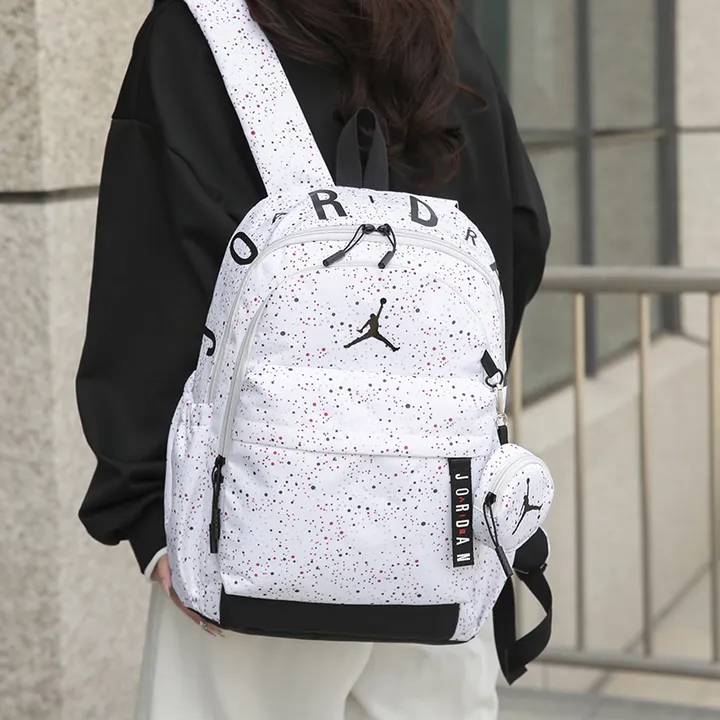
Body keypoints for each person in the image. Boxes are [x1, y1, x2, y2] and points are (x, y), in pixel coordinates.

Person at [77, 0, 551, 718]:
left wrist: (148, 510)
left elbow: (144, 279)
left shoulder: (199, 30)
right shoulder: (442, 30)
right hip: (439, 535)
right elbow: (520, 233)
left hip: (250, 530)